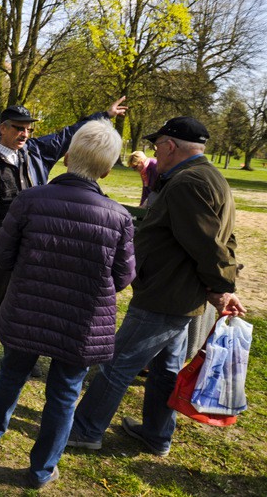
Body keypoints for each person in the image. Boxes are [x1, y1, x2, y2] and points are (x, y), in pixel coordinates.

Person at [0, 120, 135, 489]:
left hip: (32, 309)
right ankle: (40, 468)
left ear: (67, 159)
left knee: (13, 375)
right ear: (106, 170)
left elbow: (3, 254)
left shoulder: (32, 200)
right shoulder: (119, 217)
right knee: (62, 394)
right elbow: (124, 277)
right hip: (79, 321)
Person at [68, 116, 246, 457]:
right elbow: (223, 238)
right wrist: (216, 285)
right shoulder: (209, 177)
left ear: (170, 146)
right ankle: (156, 433)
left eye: (157, 145)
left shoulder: (186, 183)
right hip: (181, 294)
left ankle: (85, 429)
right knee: (166, 367)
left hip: (166, 295)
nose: (155, 152)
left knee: (116, 363)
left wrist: (222, 286)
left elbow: (209, 244)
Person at [0, 97, 128, 365]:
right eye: (18, 128)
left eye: (28, 129)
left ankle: (24, 355)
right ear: (3, 128)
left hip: (35, 243)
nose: (24, 134)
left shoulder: (37, 152)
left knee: (32, 299)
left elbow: (68, 134)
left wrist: (103, 115)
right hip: (0, 244)